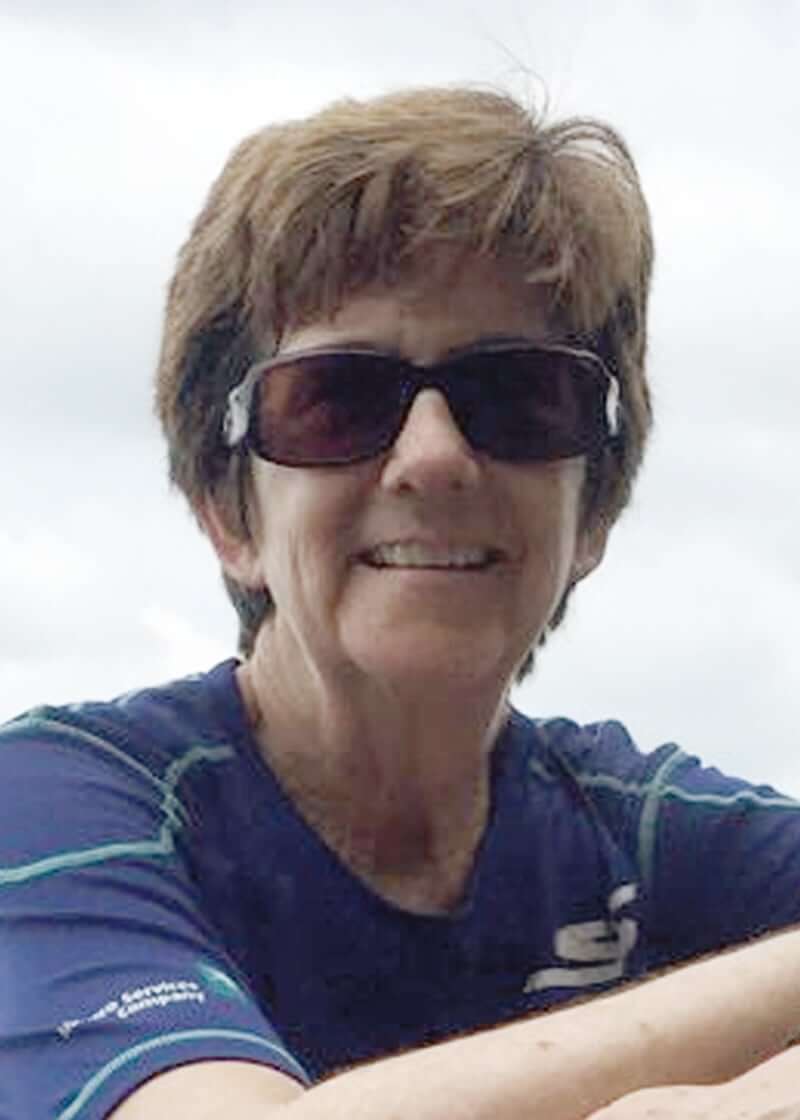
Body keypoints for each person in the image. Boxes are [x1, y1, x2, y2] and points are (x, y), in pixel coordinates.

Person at [1, 86, 799, 1120]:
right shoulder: (55, 805)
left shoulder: (649, 833)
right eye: (338, 400)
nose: (433, 458)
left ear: (593, 510)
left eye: (519, 397)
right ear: (228, 512)